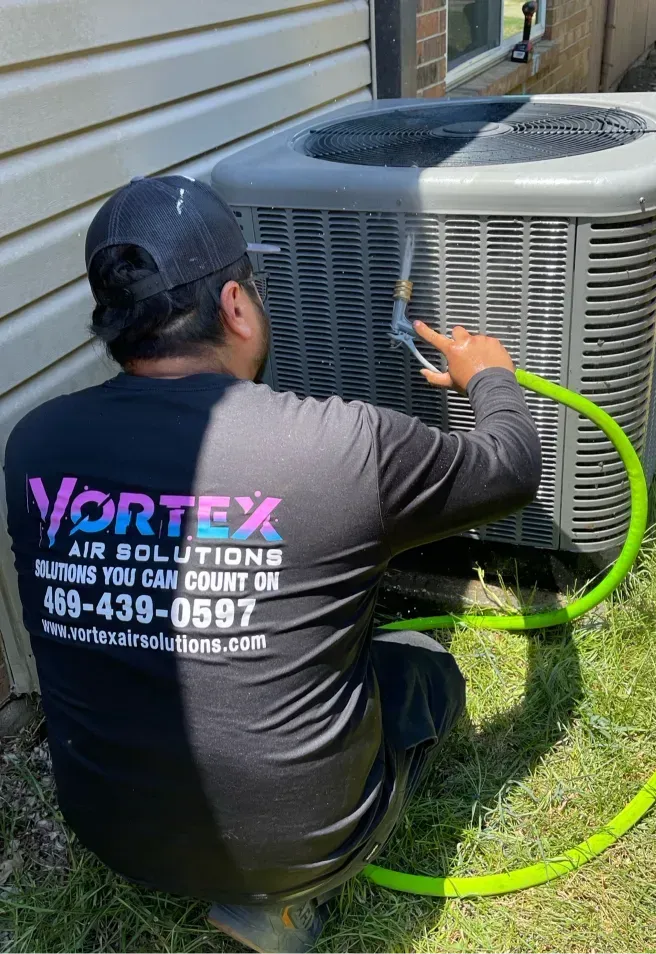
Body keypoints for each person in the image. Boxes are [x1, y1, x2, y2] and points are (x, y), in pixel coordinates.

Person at [4, 176, 541, 954]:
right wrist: (487, 374)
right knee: (424, 669)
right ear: (234, 305)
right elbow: (512, 464)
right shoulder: (335, 445)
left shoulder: (33, 444)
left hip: (113, 834)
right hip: (298, 848)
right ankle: (283, 901)